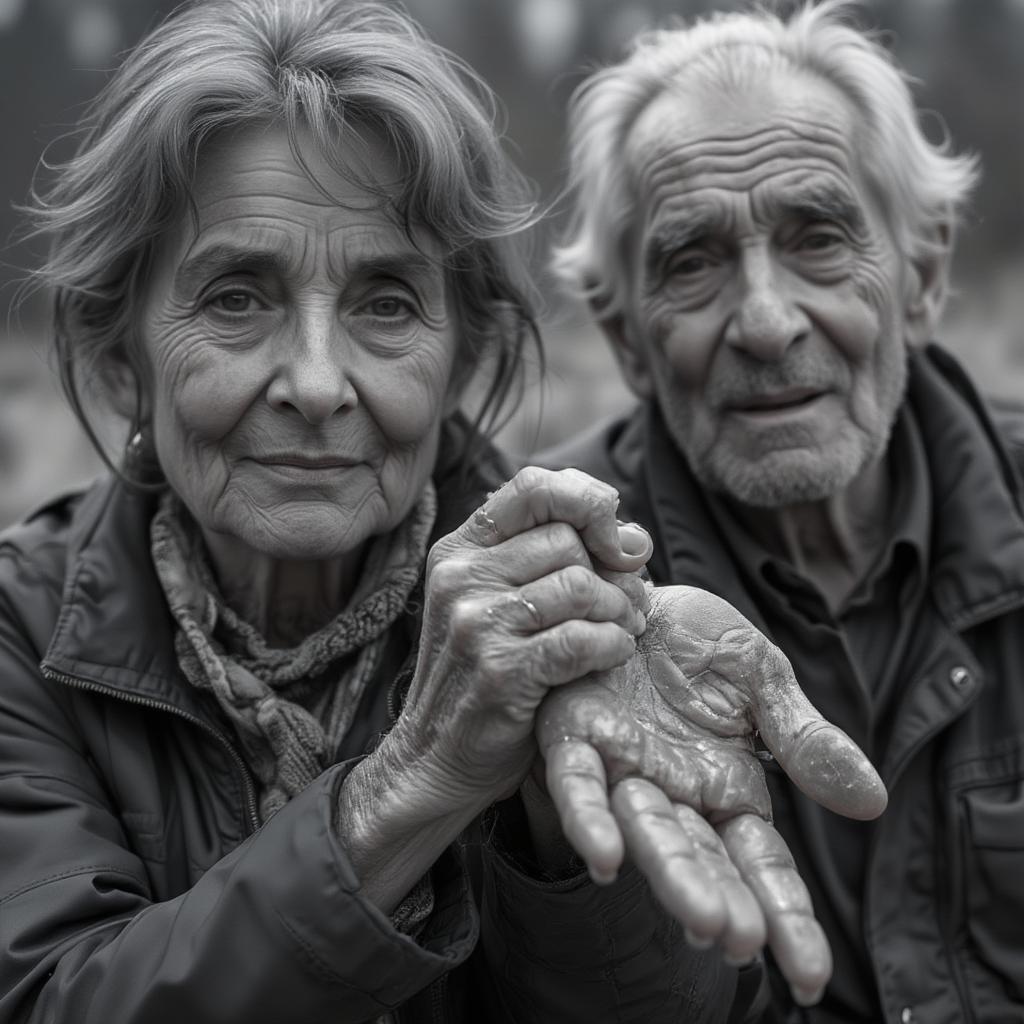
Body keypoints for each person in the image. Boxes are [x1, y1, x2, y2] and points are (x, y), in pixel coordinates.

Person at [0, 0, 889, 1021]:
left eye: (386, 303)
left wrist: (561, 841)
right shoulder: (25, 630)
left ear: (463, 356)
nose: (320, 381)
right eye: (236, 296)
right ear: (123, 358)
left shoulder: (577, 615)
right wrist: (412, 784)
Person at [543, 0, 1024, 1021]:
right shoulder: (553, 594)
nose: (764, 322)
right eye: (693, 260)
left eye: (817, 238)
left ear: (924, 273)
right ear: (627, 336)